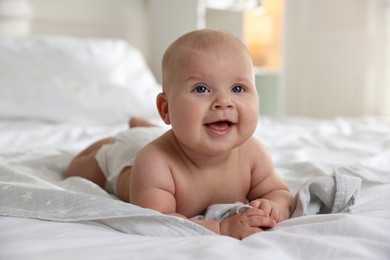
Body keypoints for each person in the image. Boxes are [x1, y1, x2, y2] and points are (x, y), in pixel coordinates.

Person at [65, 29, 292, 239]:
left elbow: (278, 191)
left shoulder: (253, 154)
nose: (224, 102)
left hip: (160, 136)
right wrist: (222, 228)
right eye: (201, 89)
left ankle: (143, 127)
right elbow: (158, 221)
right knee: (76, 168)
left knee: (150, 134)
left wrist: (274, 205)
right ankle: (127, 135)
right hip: (123, 157)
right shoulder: (155, 163)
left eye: (238, 88)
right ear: (166, 110)